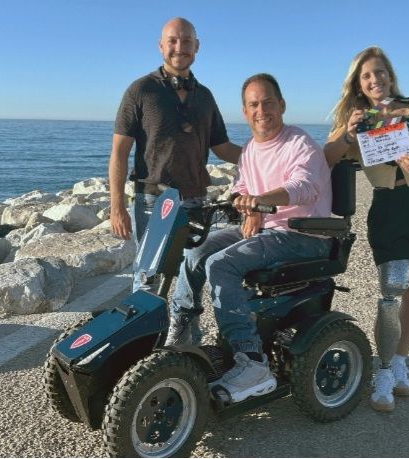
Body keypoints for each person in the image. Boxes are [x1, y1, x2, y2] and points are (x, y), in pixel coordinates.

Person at [165, 73, 333, 403]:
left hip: (302, 234)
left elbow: (304, 187)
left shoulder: (299, 143)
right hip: (266, 229)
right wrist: (246, 204)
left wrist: (260, 202)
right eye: (254, 104)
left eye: (268, 102)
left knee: (221, 264)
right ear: (245, 111)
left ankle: (252, 361)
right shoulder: (251, 150)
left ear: (281, 105)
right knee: (195, 252)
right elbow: (241, 186)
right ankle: (183, 330)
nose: (261, 110)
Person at [323, 46, 409, 412]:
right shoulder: (356, 120)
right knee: (391, 289)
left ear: (390, 75)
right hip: (387, 208)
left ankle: (399, 361)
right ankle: (381, 370)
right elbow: (324, 160)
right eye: (366, 76)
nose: (374, 79)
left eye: (379, 72)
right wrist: (348, 134)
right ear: (358, 84)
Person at [108, 17, 241, 293]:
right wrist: (117, 206)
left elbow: (223, 148)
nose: (180, 47)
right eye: (173, 41)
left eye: (186, 41)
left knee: (189, 278)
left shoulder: (205, 96)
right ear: (161, 46)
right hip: (153, 201)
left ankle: (183, 322)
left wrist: (267, 156)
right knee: (148, 279)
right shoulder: (140, 90)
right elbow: (119, 152)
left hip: (195, 200)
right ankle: (146, 323)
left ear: (197, 46)